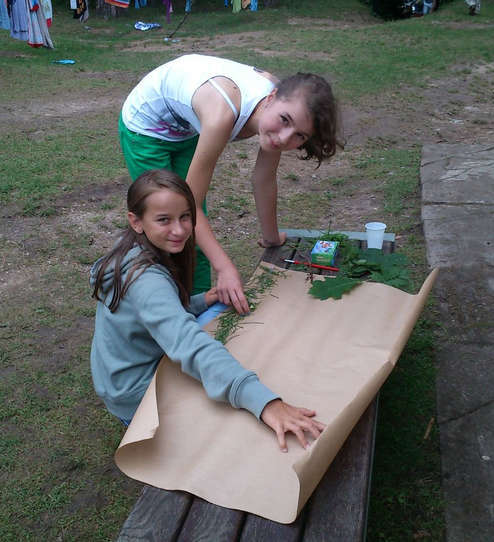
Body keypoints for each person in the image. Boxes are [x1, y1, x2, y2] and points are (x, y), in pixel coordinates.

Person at [90, 169, 325, 452]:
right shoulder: (147, 281)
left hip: (117, 379)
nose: (179, 230)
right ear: (136, 221)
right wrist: (266, 404)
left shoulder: (130, 249)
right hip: (136, 397)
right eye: (164, 220)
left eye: (185, 216)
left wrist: (203, 300)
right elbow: (190, 344)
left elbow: (156, 312)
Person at [118, 54, 341, 315]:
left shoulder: (279, 107)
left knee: (191, 228)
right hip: (147, 127)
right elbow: (190, 206)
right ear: (271, 98)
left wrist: (271, 237)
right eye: (285, 120)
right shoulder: (221, 116)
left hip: (185, 127)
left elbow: (264, 178)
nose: (284, 138)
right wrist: (225, 268)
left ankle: (197, 312)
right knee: (169, 224)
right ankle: (162, 313)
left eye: (299, 136)